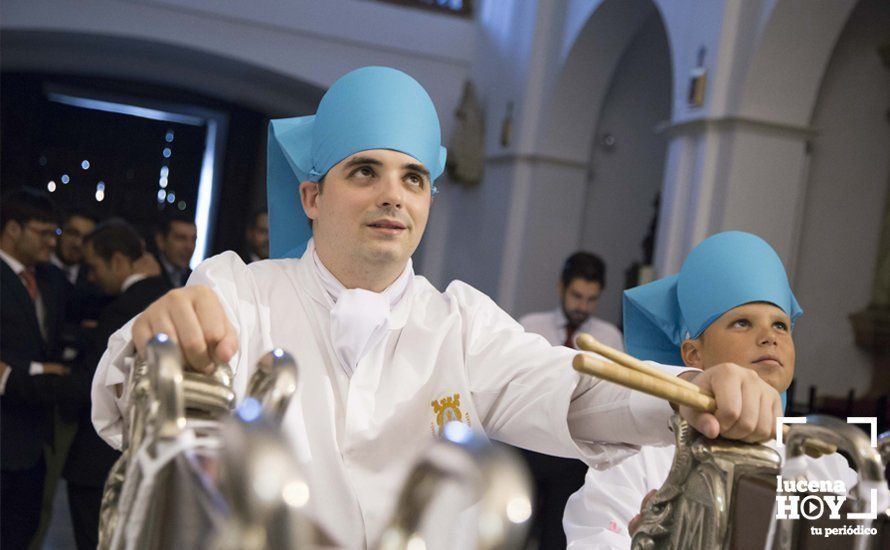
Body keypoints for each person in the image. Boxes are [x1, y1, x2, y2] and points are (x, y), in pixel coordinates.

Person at [92, 67, 781, 548]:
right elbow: (134, 402)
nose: (394, 195)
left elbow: (566, 387)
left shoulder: (460, 323)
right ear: (311, 197)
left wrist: (685, 391)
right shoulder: (241, 291)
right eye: (365, 172)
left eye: (413, 178)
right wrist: (156, 336)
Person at [562, 231, 857, 549]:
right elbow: (594, 538)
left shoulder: (825, 466)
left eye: (780, 325)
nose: (769, 337)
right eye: (743, 322)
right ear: (693, 354)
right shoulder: (639, 458)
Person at [57, 219, 170, 550]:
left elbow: (88, 384)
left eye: (93, 267)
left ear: (118, 262)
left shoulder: (121, 309)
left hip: (99, 464)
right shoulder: (165, 295)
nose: (91, 278)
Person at [517, 251, 624, 548]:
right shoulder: (530, 327)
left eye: (591, 299)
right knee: (516, 528)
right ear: (561, 288)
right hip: (530, 441)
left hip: (573, 451)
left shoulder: (610, 339)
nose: (582, 306)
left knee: (558, 536)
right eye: (577, 296)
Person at [0, 188, 70, 549]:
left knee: (22, 533)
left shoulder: (51, 279)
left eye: (53, 233)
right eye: (43, 233)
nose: (51, 242)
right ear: (13, 229)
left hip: (34, 437)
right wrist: (36, 370)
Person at [153, 213, 196, 288]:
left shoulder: (196, 279)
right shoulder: (147, 274)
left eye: (193, 240)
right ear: (160, 241)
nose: (189, 246)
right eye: (181, 238)